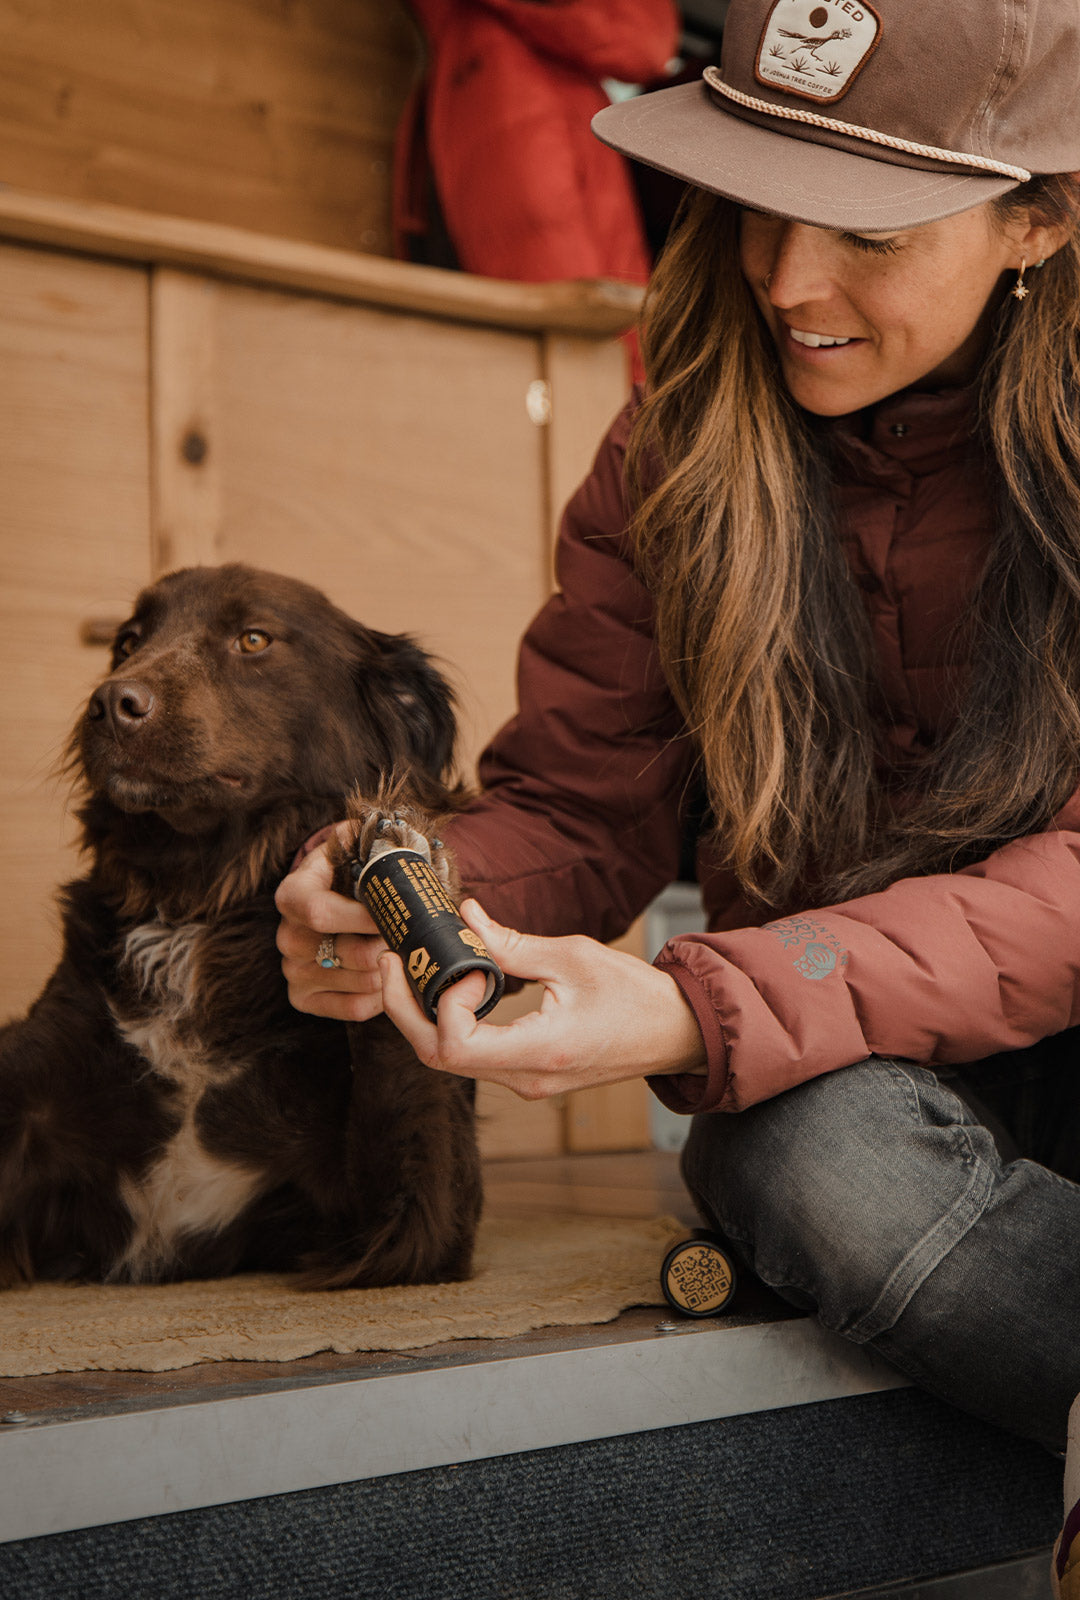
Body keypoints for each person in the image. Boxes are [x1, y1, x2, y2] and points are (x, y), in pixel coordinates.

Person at [276, 0, 1080, 1452]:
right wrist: (424, 885)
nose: (784, 277)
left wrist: (695, 1001)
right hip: (851, 1063)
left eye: (870, 233)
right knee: (796, 1154)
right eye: (757, 201)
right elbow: (585, 808)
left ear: (1037, 221)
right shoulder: (672, 448)